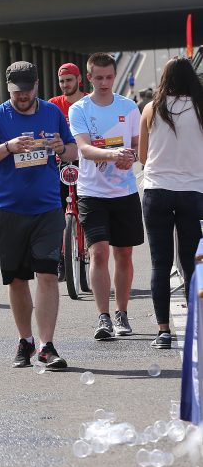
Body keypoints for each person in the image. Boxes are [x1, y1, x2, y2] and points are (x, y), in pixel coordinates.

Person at [0, 61, 77, 370]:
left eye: (28, 90)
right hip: (9, 210)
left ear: (37, 86)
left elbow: (72, 151)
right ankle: (25, 340)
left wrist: (60, 147)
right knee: (17, 279)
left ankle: (47, 345)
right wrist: (7, 146)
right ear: (9, 89)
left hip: (47, 208)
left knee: (46, 274)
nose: (23, 96)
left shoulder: (52, 113)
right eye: (18, 92)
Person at [69, 52, 144, 340]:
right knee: (98, 252)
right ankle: (103, 317)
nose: (104, 82)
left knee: (123, 253)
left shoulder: (129, 107)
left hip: (124, 191)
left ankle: (121, 313)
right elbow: (85, 150)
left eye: (109, 77)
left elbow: (139, 147)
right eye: (98, 78)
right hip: (92, 192)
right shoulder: (80, 109)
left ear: (114, 76)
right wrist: (115, 155)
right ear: (88, 77)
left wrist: (132, 156)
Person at [138, 56, 203, 349]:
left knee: (160, 263)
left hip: (157, 190)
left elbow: (142, 156)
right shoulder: (201, 108)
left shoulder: (151, 109)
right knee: (192, 262)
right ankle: (196, 325)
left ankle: (163, 331)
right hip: (194, 192)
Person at [48, 62, 89, 212]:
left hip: (87, 161)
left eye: (69, 80)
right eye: (61, 81)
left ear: (79, 79)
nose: (65, 84)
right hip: (61, 161)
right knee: (56, 208)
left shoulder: (90, 102)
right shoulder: (53, 105)